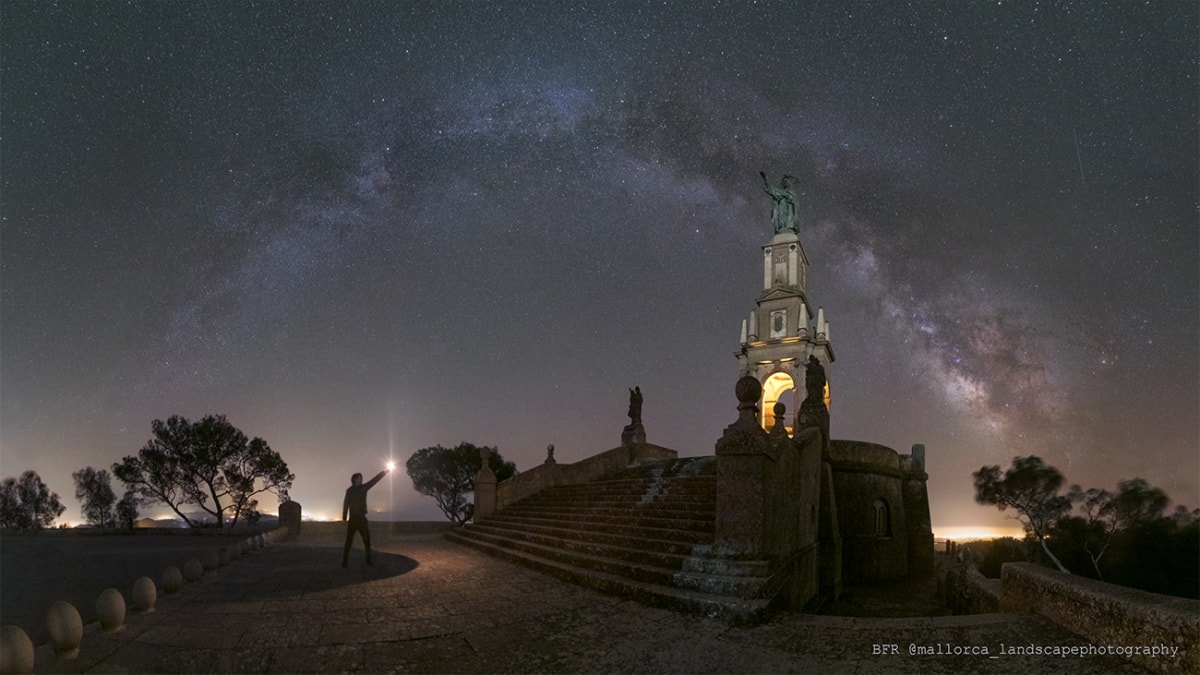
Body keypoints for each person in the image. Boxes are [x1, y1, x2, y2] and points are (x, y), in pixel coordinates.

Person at [342, 468, 388, 566]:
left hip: (362, 519)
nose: (360, 479)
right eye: (359, 478)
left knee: (367, 541)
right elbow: (346, 504)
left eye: (361, 478)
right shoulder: (349, 491)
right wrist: (344, 518)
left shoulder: (364, 488)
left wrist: (384, 472)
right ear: (354, 479)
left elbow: (374, 480)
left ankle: (368, 560)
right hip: (353, 520)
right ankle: (344, 561)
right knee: (348, 541)